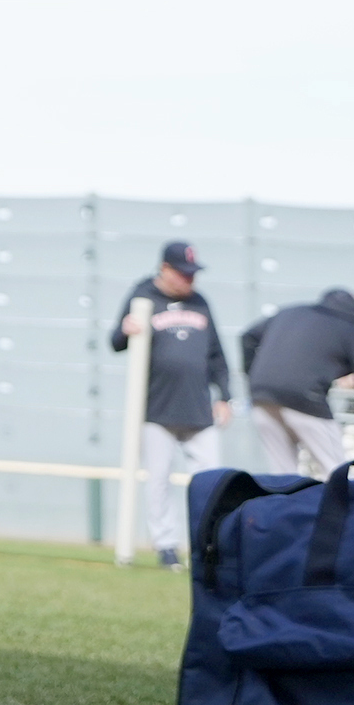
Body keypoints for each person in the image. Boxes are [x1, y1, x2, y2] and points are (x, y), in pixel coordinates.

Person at [106, 241, 232, 567]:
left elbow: (217, 353)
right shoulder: (143, 294)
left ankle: (208, 545)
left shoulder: (201, 302)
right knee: (158, 480)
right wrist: (126, 329)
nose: (190, 280)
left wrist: (225, 396)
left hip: (199, 407)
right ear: (164, 269)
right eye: (183, 273)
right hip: (157, 408)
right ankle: (166, 547)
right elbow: (115, 342)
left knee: (210, 479)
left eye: (193, 274)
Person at [239, 288, 354, 476]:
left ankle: (288, 504)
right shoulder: (352, 331)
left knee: (283, 478)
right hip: (305, 398)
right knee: (336, 474)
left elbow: (247, 336)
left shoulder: (290, 312)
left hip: (262, 396)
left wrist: (252, 375)